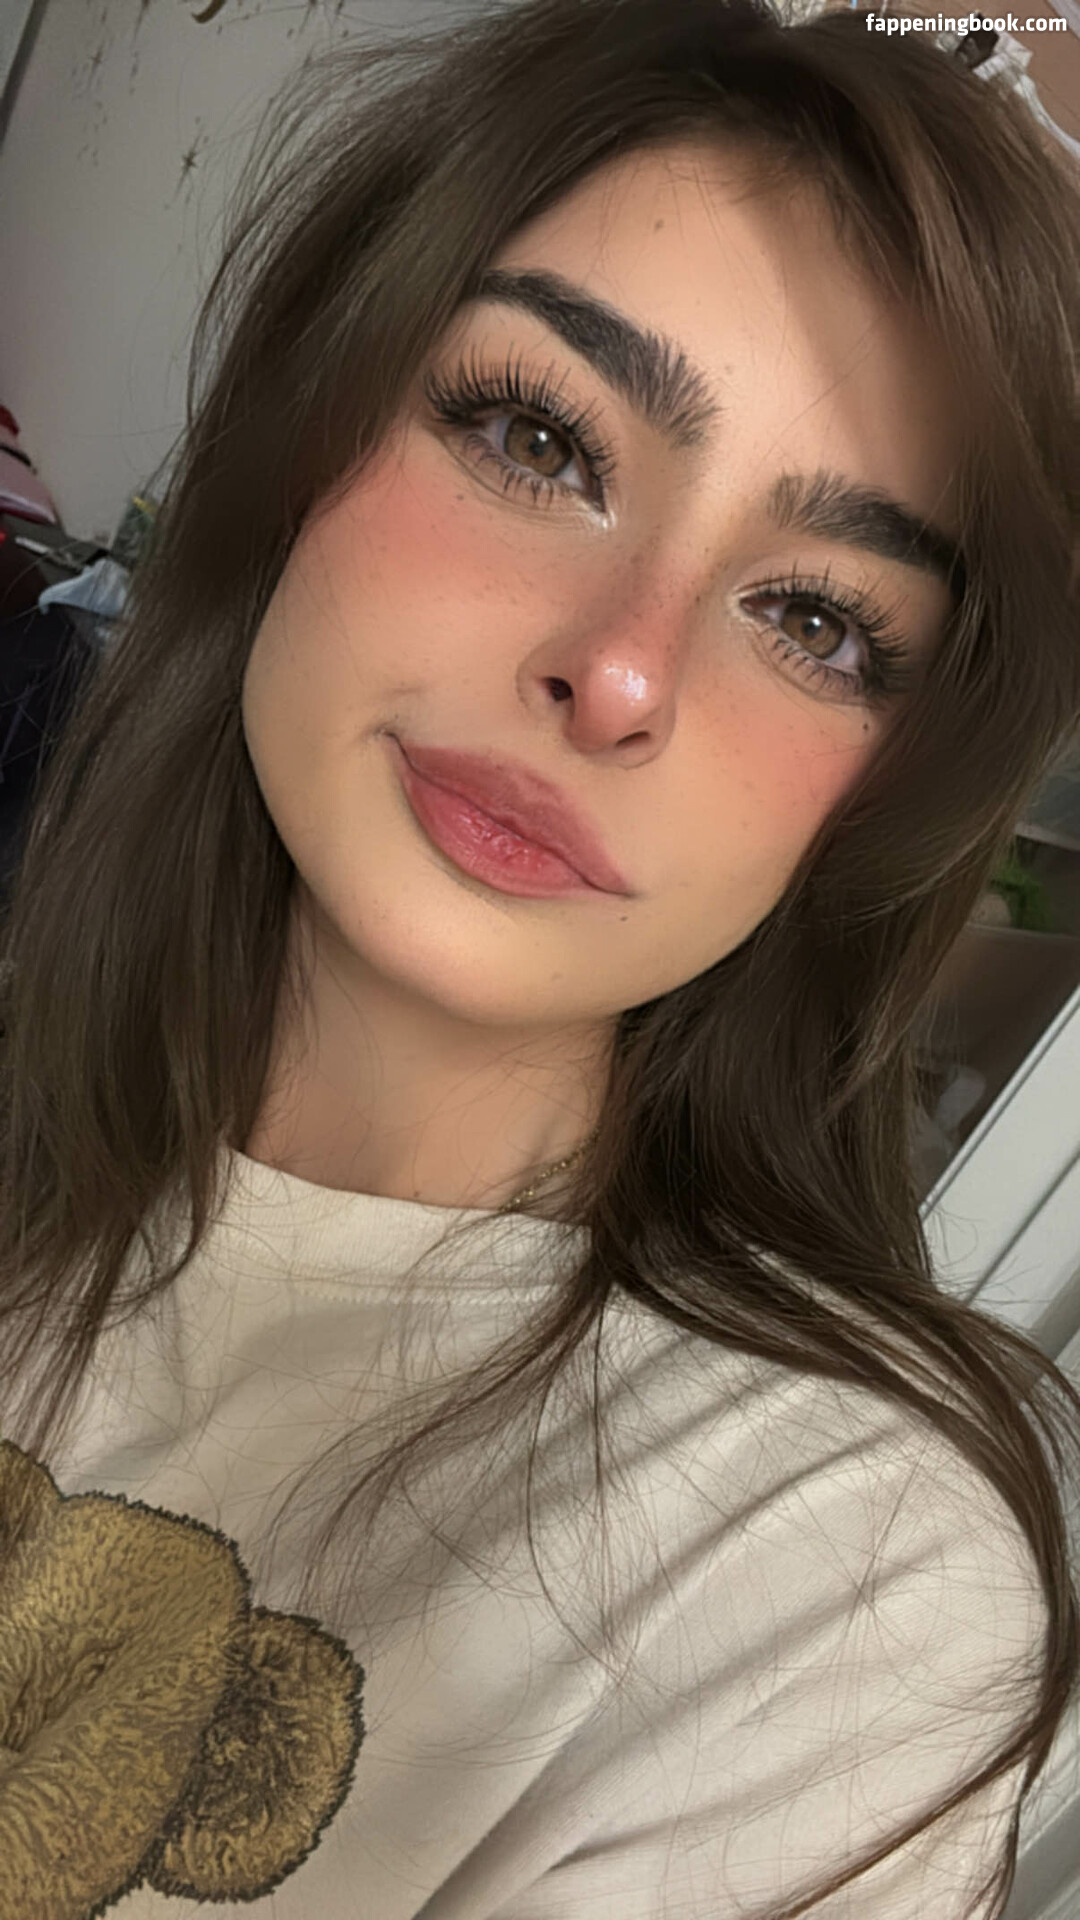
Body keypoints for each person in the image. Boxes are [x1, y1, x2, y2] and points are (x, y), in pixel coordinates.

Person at [0, 0, 1078, 1913]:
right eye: (537, 437)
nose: (624, 669)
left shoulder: (826, 1576)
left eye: (818, 621)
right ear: (312, 429)